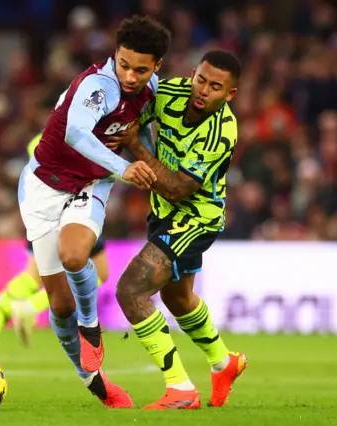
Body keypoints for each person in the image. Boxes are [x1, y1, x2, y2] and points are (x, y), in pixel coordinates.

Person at [16, 15, 171, 408]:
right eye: (124, 64)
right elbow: (76, 133)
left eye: (141, 68)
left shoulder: (150, 90)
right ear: (114, 56)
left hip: (91, 184)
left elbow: (148, 130)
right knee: (59, 304)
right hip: (43, 187)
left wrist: (149, 160)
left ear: (157, 67)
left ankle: (91, 328)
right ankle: (93, 380)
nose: (131, 76)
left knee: (74, 255)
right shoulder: (97, 86)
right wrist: (126, 166)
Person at [107, 50, 247, 410]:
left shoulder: (222, 131)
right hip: (162, 212)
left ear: (229, 95)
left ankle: (181, 389)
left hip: (195, 216)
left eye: (216, 87)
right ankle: (223, 361)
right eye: (201, 79)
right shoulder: (167, 93)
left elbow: (176, 187)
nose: (203, 90)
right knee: (177, 299)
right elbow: (128, 114)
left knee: (131, 291)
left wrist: (135, 144)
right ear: (192, 74)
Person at [0, 133, 110, 360]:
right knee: (99, 273)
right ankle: (30, 307)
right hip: (74, 209)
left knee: (32, 276)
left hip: (39, 210)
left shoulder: (43, 138)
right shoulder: (82, 132)